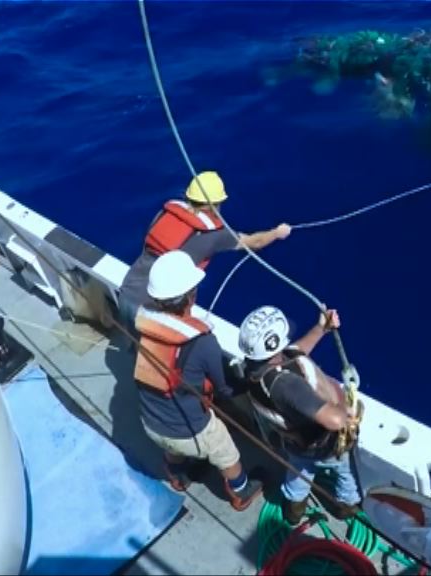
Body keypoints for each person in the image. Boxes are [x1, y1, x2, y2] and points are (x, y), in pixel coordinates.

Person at [133, 250, 261, 510]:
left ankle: (178, 476)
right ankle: (241, 491)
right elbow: (225, 388)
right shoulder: (203, 342)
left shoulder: (144, 325)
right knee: (225, 451)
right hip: (189, 432)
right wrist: (249, 380)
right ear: (191, 296)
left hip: (150, 423)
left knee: (173, 446)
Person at [115, 171, 291, 340]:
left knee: (137, 347)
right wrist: (277, 233)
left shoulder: (164, 213)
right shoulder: (216, 235)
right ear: (215, 204)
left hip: (126, 294)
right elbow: (255, 242)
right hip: (152, 312)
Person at [237, 305, 363, 525]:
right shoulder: (287, 385)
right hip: (323, 445)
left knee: (298, 475)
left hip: (296, 445)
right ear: (273, 347)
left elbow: (297, 351)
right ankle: (346, 507)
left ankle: (293, 511)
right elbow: (333, 421)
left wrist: (321, 328)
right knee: (344, 473)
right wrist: (349, 410)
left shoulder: (255, 370)